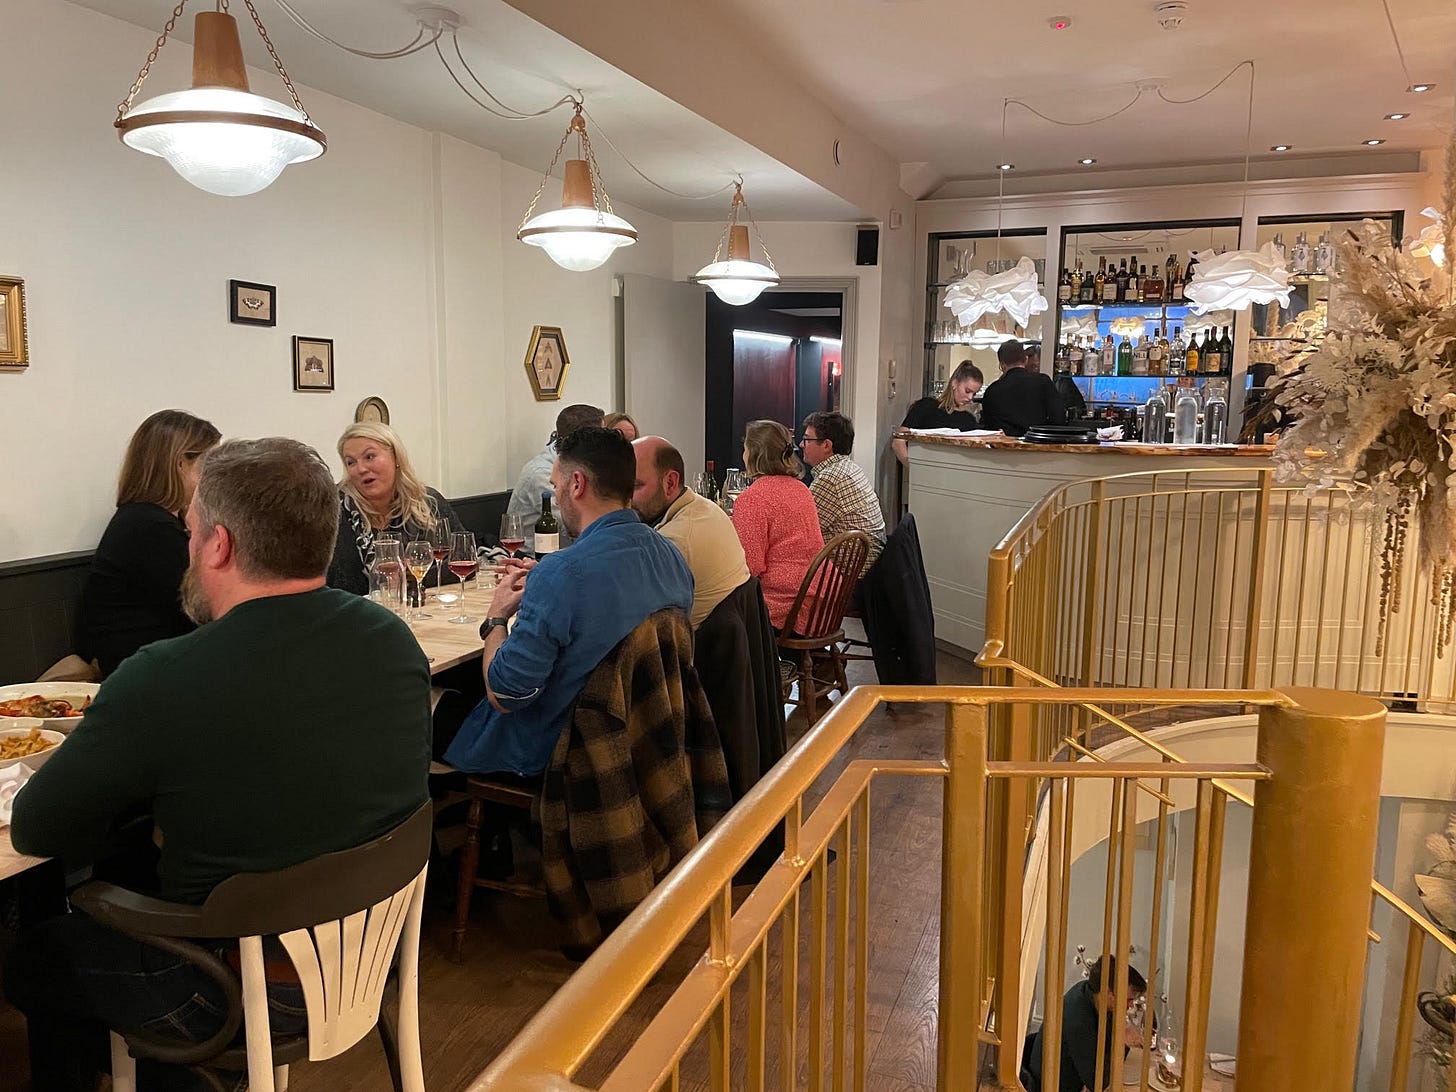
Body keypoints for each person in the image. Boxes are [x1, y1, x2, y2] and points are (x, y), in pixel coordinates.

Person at [5, 438, 432, 1091]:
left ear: (219, 545)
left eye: (191, 531)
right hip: (370, 953)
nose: (188, 546)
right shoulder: (391, 640)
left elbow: (37, 828)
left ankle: (176, 1071)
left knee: (39, 955)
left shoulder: (165, 675)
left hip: (233, 992)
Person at [441, 427, 694, 775]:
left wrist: (496, 617)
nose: (556, 498)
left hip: (564, 756)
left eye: (555, 485)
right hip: (646, 743)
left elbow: (506, 696)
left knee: (419, 707)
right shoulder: (672, 556)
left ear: (577, 484)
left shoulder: (562, 574)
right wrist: (546, 583)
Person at [75, 410, 222, 678]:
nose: (215, 477)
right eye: (209, 464)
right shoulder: (149, 527)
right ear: (180, 464)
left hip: (151, 661)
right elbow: (203, 608)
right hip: (138, 670)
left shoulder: (143, 519)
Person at [326, 422, 466, 596]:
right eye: (351, 462)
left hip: (420, 608)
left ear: (396, 457)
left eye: (369, 457)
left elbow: (463, 559)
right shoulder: (333, 510)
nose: (360, 469)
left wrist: (408, 578)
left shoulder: (428, 502)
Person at [632, 435, 749, 627]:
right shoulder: (705, 507)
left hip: (697, 644)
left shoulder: (674, 542)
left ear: (670, 483)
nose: (626, 497)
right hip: (733, 636)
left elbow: (634, 621)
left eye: (635, 485)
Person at [731, 420, 825, 630]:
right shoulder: (801, 489)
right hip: (819, 600)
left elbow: (750, 567)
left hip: (784, 606)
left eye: (745, 449)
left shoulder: (752, 498)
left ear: (754, 454)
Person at [1021, 957, 1148, 1092]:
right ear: (1108, 993)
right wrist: (1123, 1043)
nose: (1130, 1005)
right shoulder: (1078, 1017)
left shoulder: (1089, 991)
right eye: (1128, 1000)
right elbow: (1097, 1084)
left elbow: (1105, 1041)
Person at [801, 411, 886, 573]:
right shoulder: (848, 467)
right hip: (870, 566)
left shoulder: (830, 478)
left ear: (826, 445)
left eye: (807, 439)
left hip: (848, 575)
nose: (801, 444)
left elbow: (803, 530)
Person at [506, 403, 605, 535]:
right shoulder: (541, 473)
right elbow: (573, 525)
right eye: (603, 437)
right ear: (586, 440)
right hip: (535, 548)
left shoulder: (580, 462)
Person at [890, 360, 983, 466]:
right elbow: (898, 442)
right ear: (954, 383)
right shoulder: (926, 406)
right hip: (923, 470)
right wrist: (913, 468)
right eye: (967, 391)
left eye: (974, 394)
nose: (970, 397)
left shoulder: (968, 419)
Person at [980, 339, 1067, 438]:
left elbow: (990, 429)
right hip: (1037, 443)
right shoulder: (1043, 382)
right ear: (1026, 359)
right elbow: (1058, 418)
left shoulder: (992, 391)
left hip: (1005, 445)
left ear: (1002, 364)